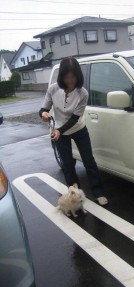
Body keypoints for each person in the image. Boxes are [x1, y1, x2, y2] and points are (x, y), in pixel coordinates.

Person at [39, 57, 108, 206]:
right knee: (68, 165)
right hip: (60, 132)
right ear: (61, 77)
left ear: (78, 75)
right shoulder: (53, 89)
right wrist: (43, 114)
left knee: (89, 161)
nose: (70, 80)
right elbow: (43, 108)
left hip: (78, 129)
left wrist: (59, 130)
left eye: (73, 77)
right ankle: (75, 195)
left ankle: (98, 192)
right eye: (66, 77)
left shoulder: (82, 93)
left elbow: (75, 118)